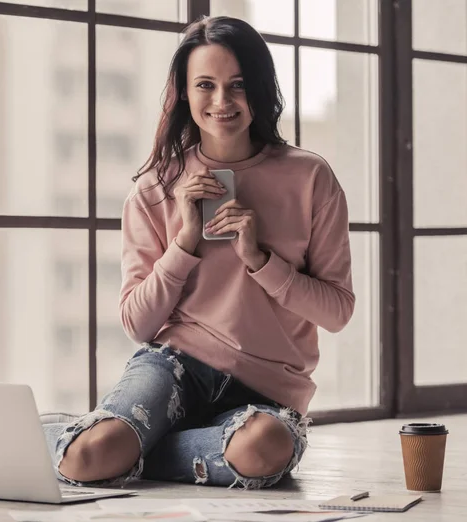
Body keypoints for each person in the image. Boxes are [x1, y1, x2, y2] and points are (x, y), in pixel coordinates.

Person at [43, 15, 354, 490]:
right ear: (185, 93)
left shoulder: (311, 178)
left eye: (238, 84)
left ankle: (134, 445)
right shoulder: (154, 188)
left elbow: (336, 312)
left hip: (270, 389)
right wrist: (185, 241)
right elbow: (137, 324)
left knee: (263, 450)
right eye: (205, 85)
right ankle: (82, 437)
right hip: (176, 365)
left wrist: (261, 262)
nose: (222, 101)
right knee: (87, 459)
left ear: (261, 89)